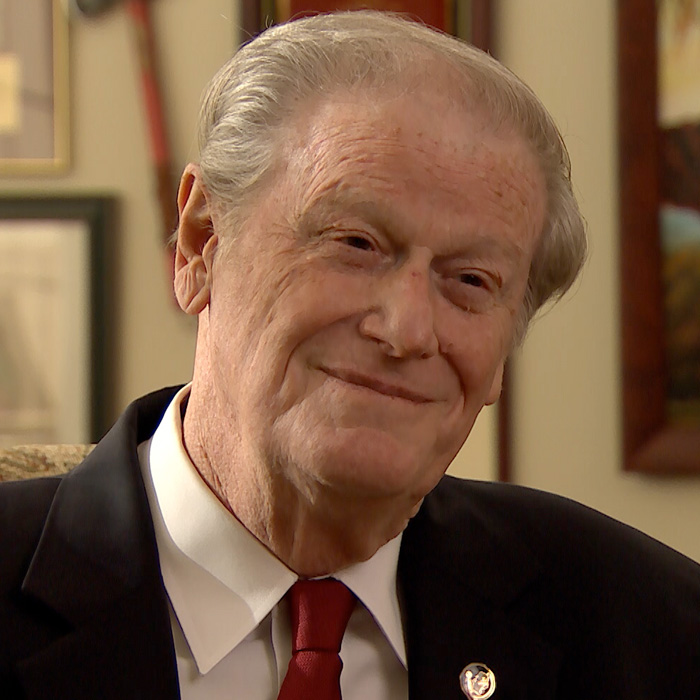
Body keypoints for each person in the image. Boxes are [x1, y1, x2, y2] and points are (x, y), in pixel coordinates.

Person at [2, 10, 699, 700]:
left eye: (471, 281)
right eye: (356, 244)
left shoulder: (650, 630)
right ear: (201, 242)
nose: (407, 330)